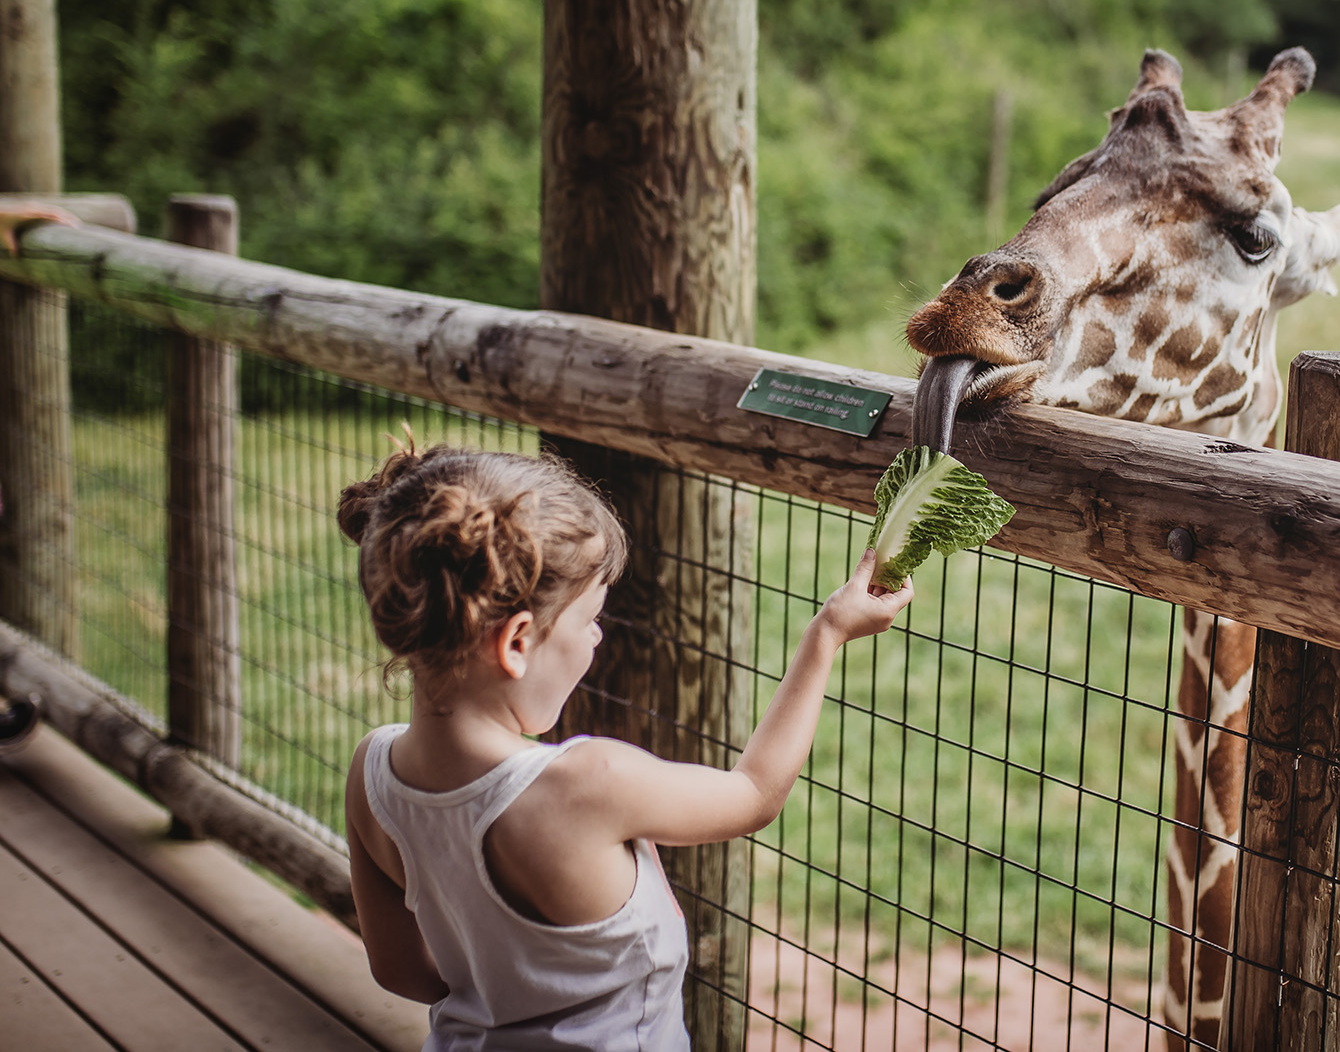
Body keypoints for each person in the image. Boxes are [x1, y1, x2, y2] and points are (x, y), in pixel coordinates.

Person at [339, 441, 913, 1050]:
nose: (597, 637)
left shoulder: (371, 771)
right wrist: (826, 634)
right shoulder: (589, 782)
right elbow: (754, 794)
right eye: (591, 618)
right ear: (516, 642)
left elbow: (401, 971)